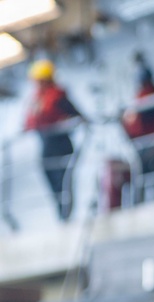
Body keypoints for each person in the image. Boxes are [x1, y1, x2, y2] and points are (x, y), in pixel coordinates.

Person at [24, 59, 82, 221]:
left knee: (64, 185)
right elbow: (28, 122)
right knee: (54, 188)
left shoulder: (57, 96)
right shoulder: (36, 99)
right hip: (46, 149)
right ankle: (62, 218)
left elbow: (76, 114)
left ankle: (67, 217)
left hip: (61, 146)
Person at [121, 52, 154, 201]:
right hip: (148, 142)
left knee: (145, 169)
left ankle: (150, 199)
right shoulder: (148, 96)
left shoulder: (150, 96)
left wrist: (126, 122)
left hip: (153, 142)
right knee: (144, 171)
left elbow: (141, 122)